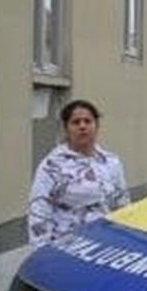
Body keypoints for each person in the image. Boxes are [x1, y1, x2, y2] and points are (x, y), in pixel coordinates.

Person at [27, 99, 130, 247]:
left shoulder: (111, 162)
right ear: (66, 129)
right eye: (76, 122)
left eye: (88, 121)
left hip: (106, 245)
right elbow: (39, 209)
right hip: (66, 247)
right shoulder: (52, 166)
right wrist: (42, 249)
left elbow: (122, 203)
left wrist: (125, 239)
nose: (83, 126)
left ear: (96, 126)